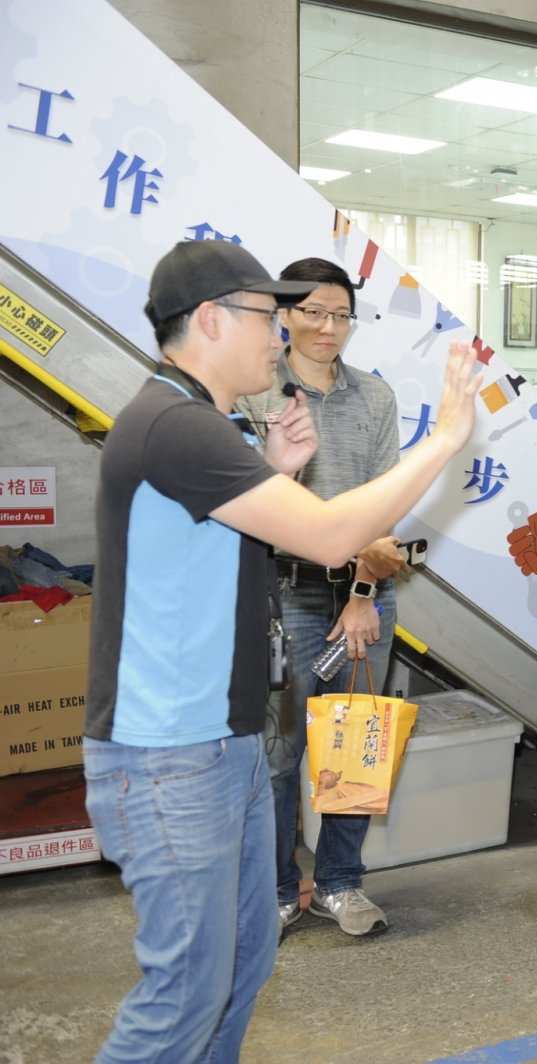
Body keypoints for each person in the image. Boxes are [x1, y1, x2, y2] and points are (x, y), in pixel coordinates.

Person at [83, 240, 479, 1062]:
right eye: (269, 316)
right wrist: (445, 439)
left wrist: (276, 469)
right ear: (210, 320)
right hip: (168, 753)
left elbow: (229, 539)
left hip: (220, 739)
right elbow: (332, 537)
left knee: (240, 966)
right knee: (185, 993)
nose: (282, 334)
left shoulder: (207, 423)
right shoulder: (175, 426)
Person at [236, 258, 404, 940]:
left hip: (364, 595)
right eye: (312, 312)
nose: (327, 327)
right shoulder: (256, 393)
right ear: (284, 315)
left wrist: (363, 593)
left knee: (355, 747)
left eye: (340, 315)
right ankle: (279, 890)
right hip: (285, 598)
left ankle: (340, 883)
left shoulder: (375, 397)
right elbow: (249, 503)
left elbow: (384, 509)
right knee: (278, 756)